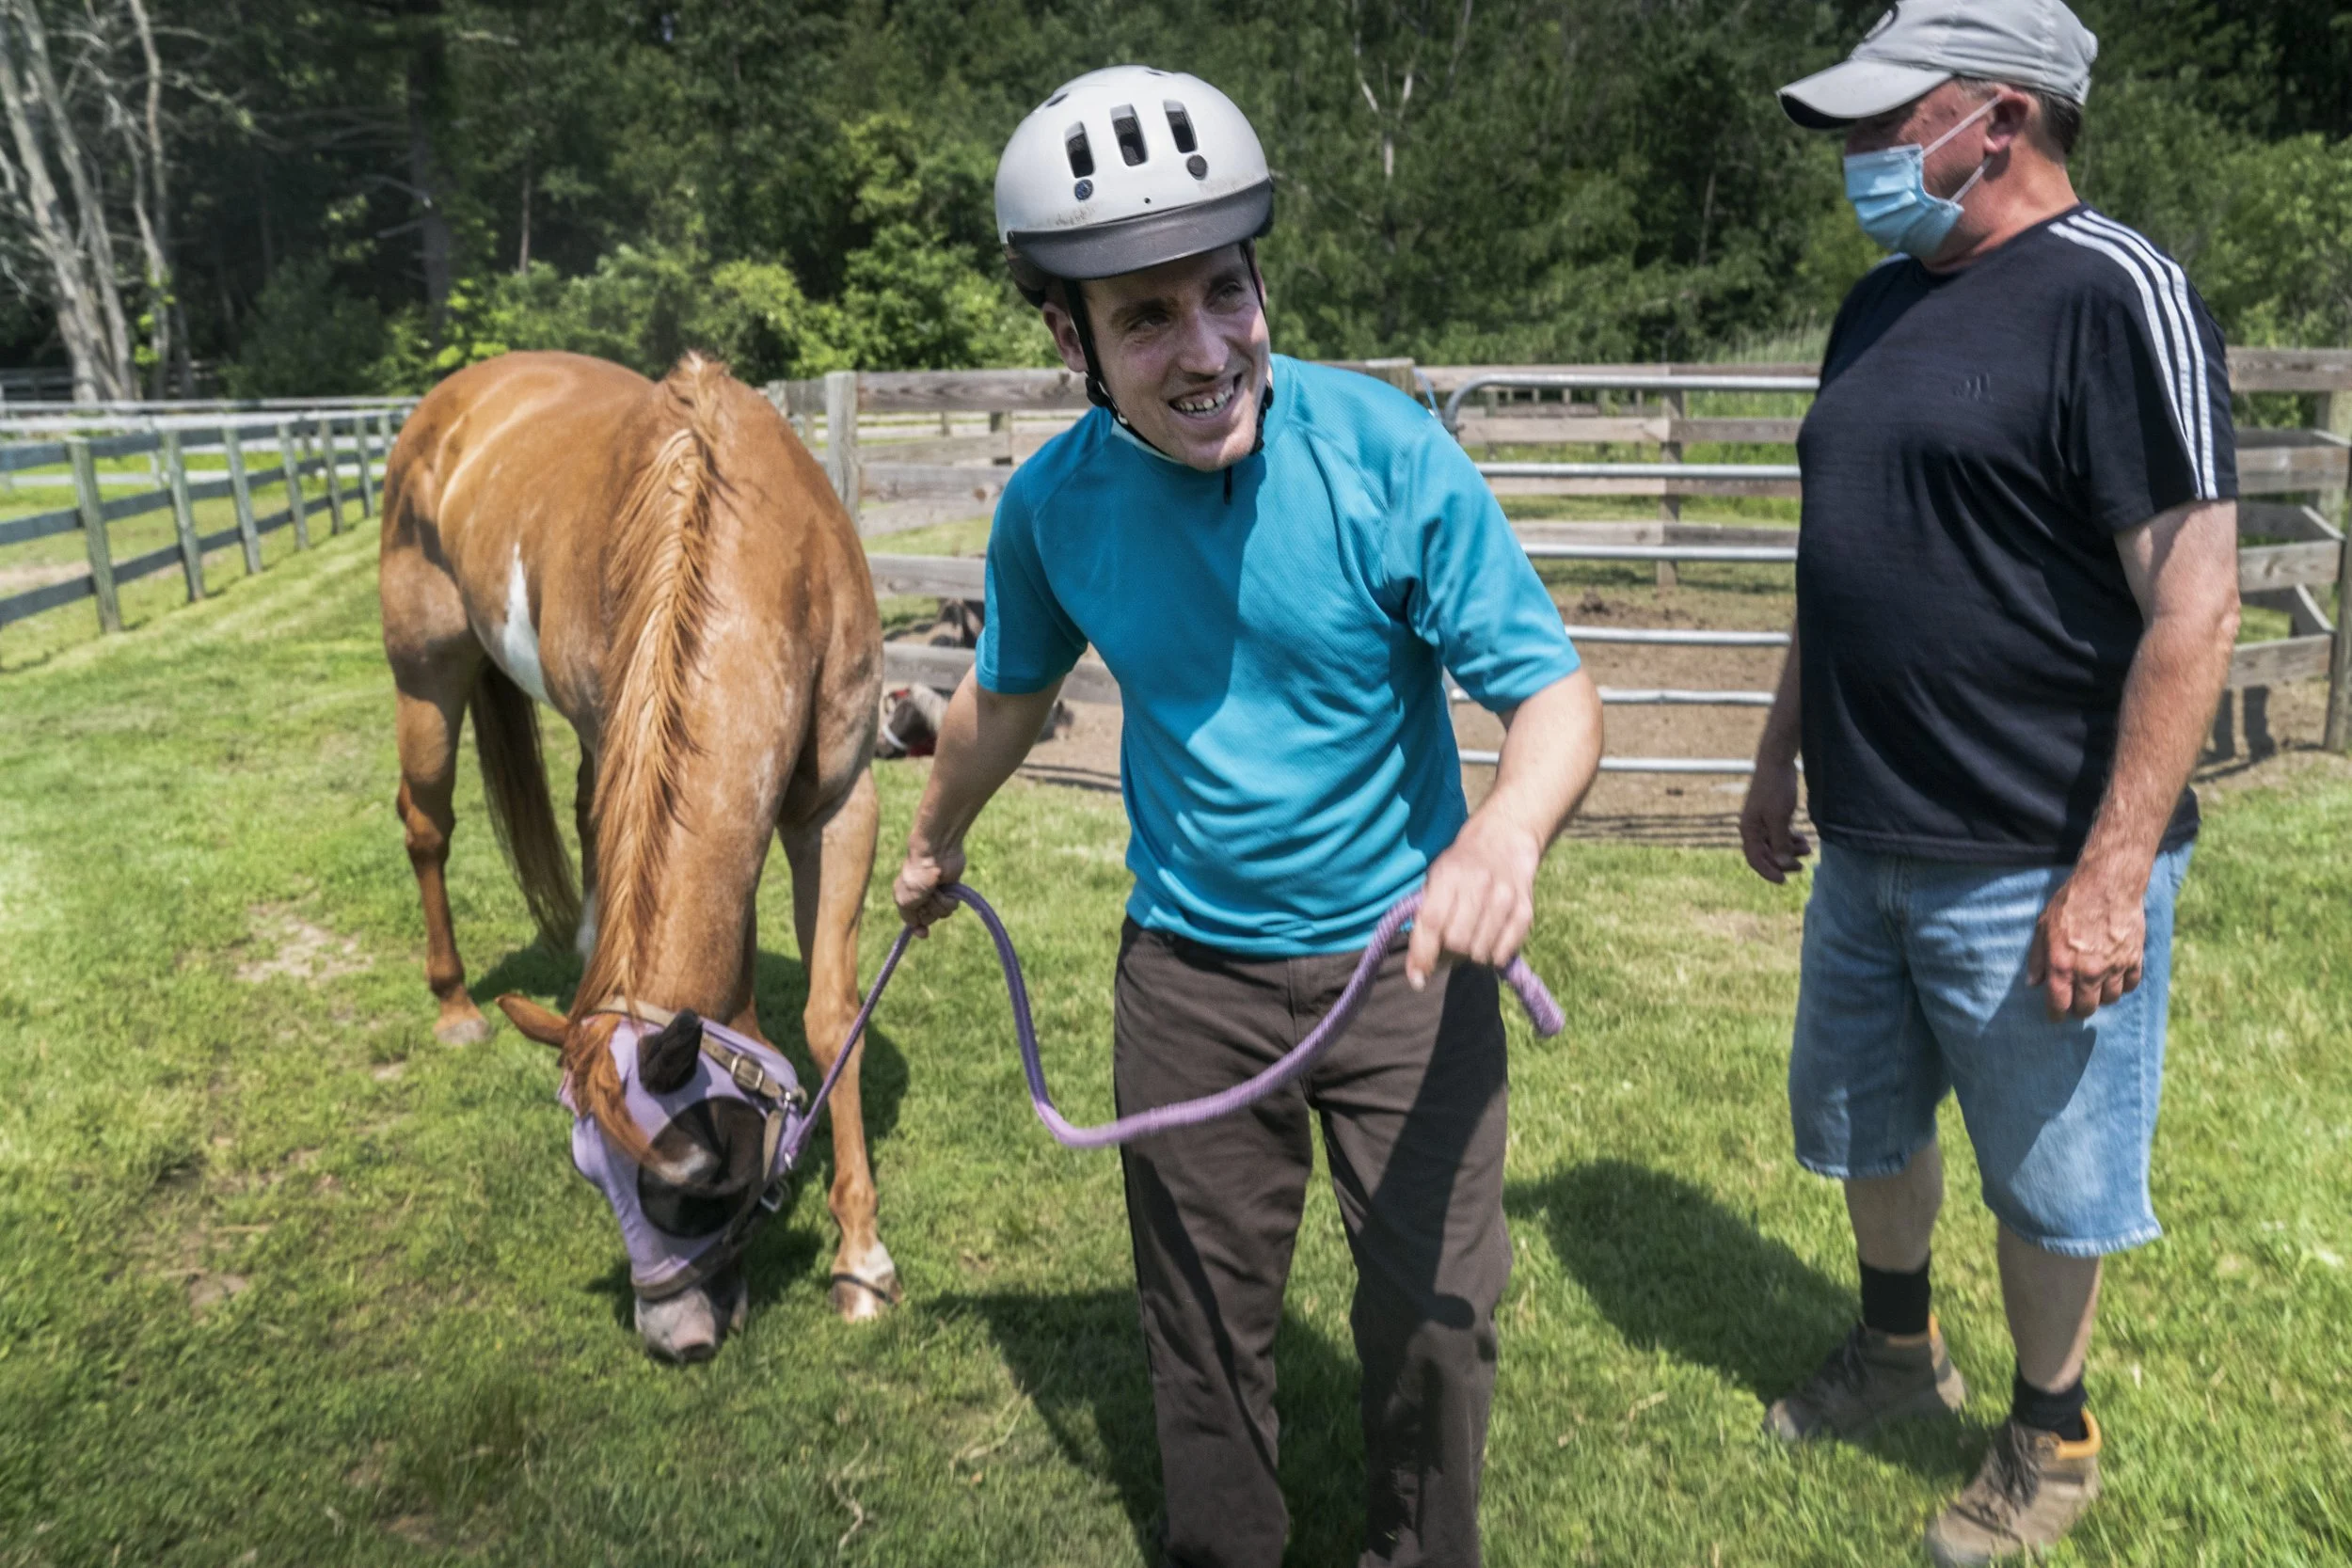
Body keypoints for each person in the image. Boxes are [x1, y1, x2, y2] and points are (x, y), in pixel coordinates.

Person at [892, 65, 1603, 1568]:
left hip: (1405, 970)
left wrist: (1503, 835)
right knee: (1203, 1338)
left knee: (1437, 1320)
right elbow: (1001, 704)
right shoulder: (1053, 510)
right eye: (1148, 317)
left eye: (1227, 290)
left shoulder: (1384, 455)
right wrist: (935, 836)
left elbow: (1552, 694)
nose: (1209, 348)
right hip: (1188, 982)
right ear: (1070, 339)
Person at [1741, 2, 2241, 1562]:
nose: (1858, 151)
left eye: (1888, 120)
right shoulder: (1878, 305)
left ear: (2000, 119)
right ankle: (1900, 1347)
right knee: (1864, 1121)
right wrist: (1777, 750)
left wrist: (2113, 872)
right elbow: (1841, 554)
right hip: (1871, 831)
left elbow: (2195, 600)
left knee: (2048, 1173)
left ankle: (2051, 1434)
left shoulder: (2117, 294)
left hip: (2037, 847)